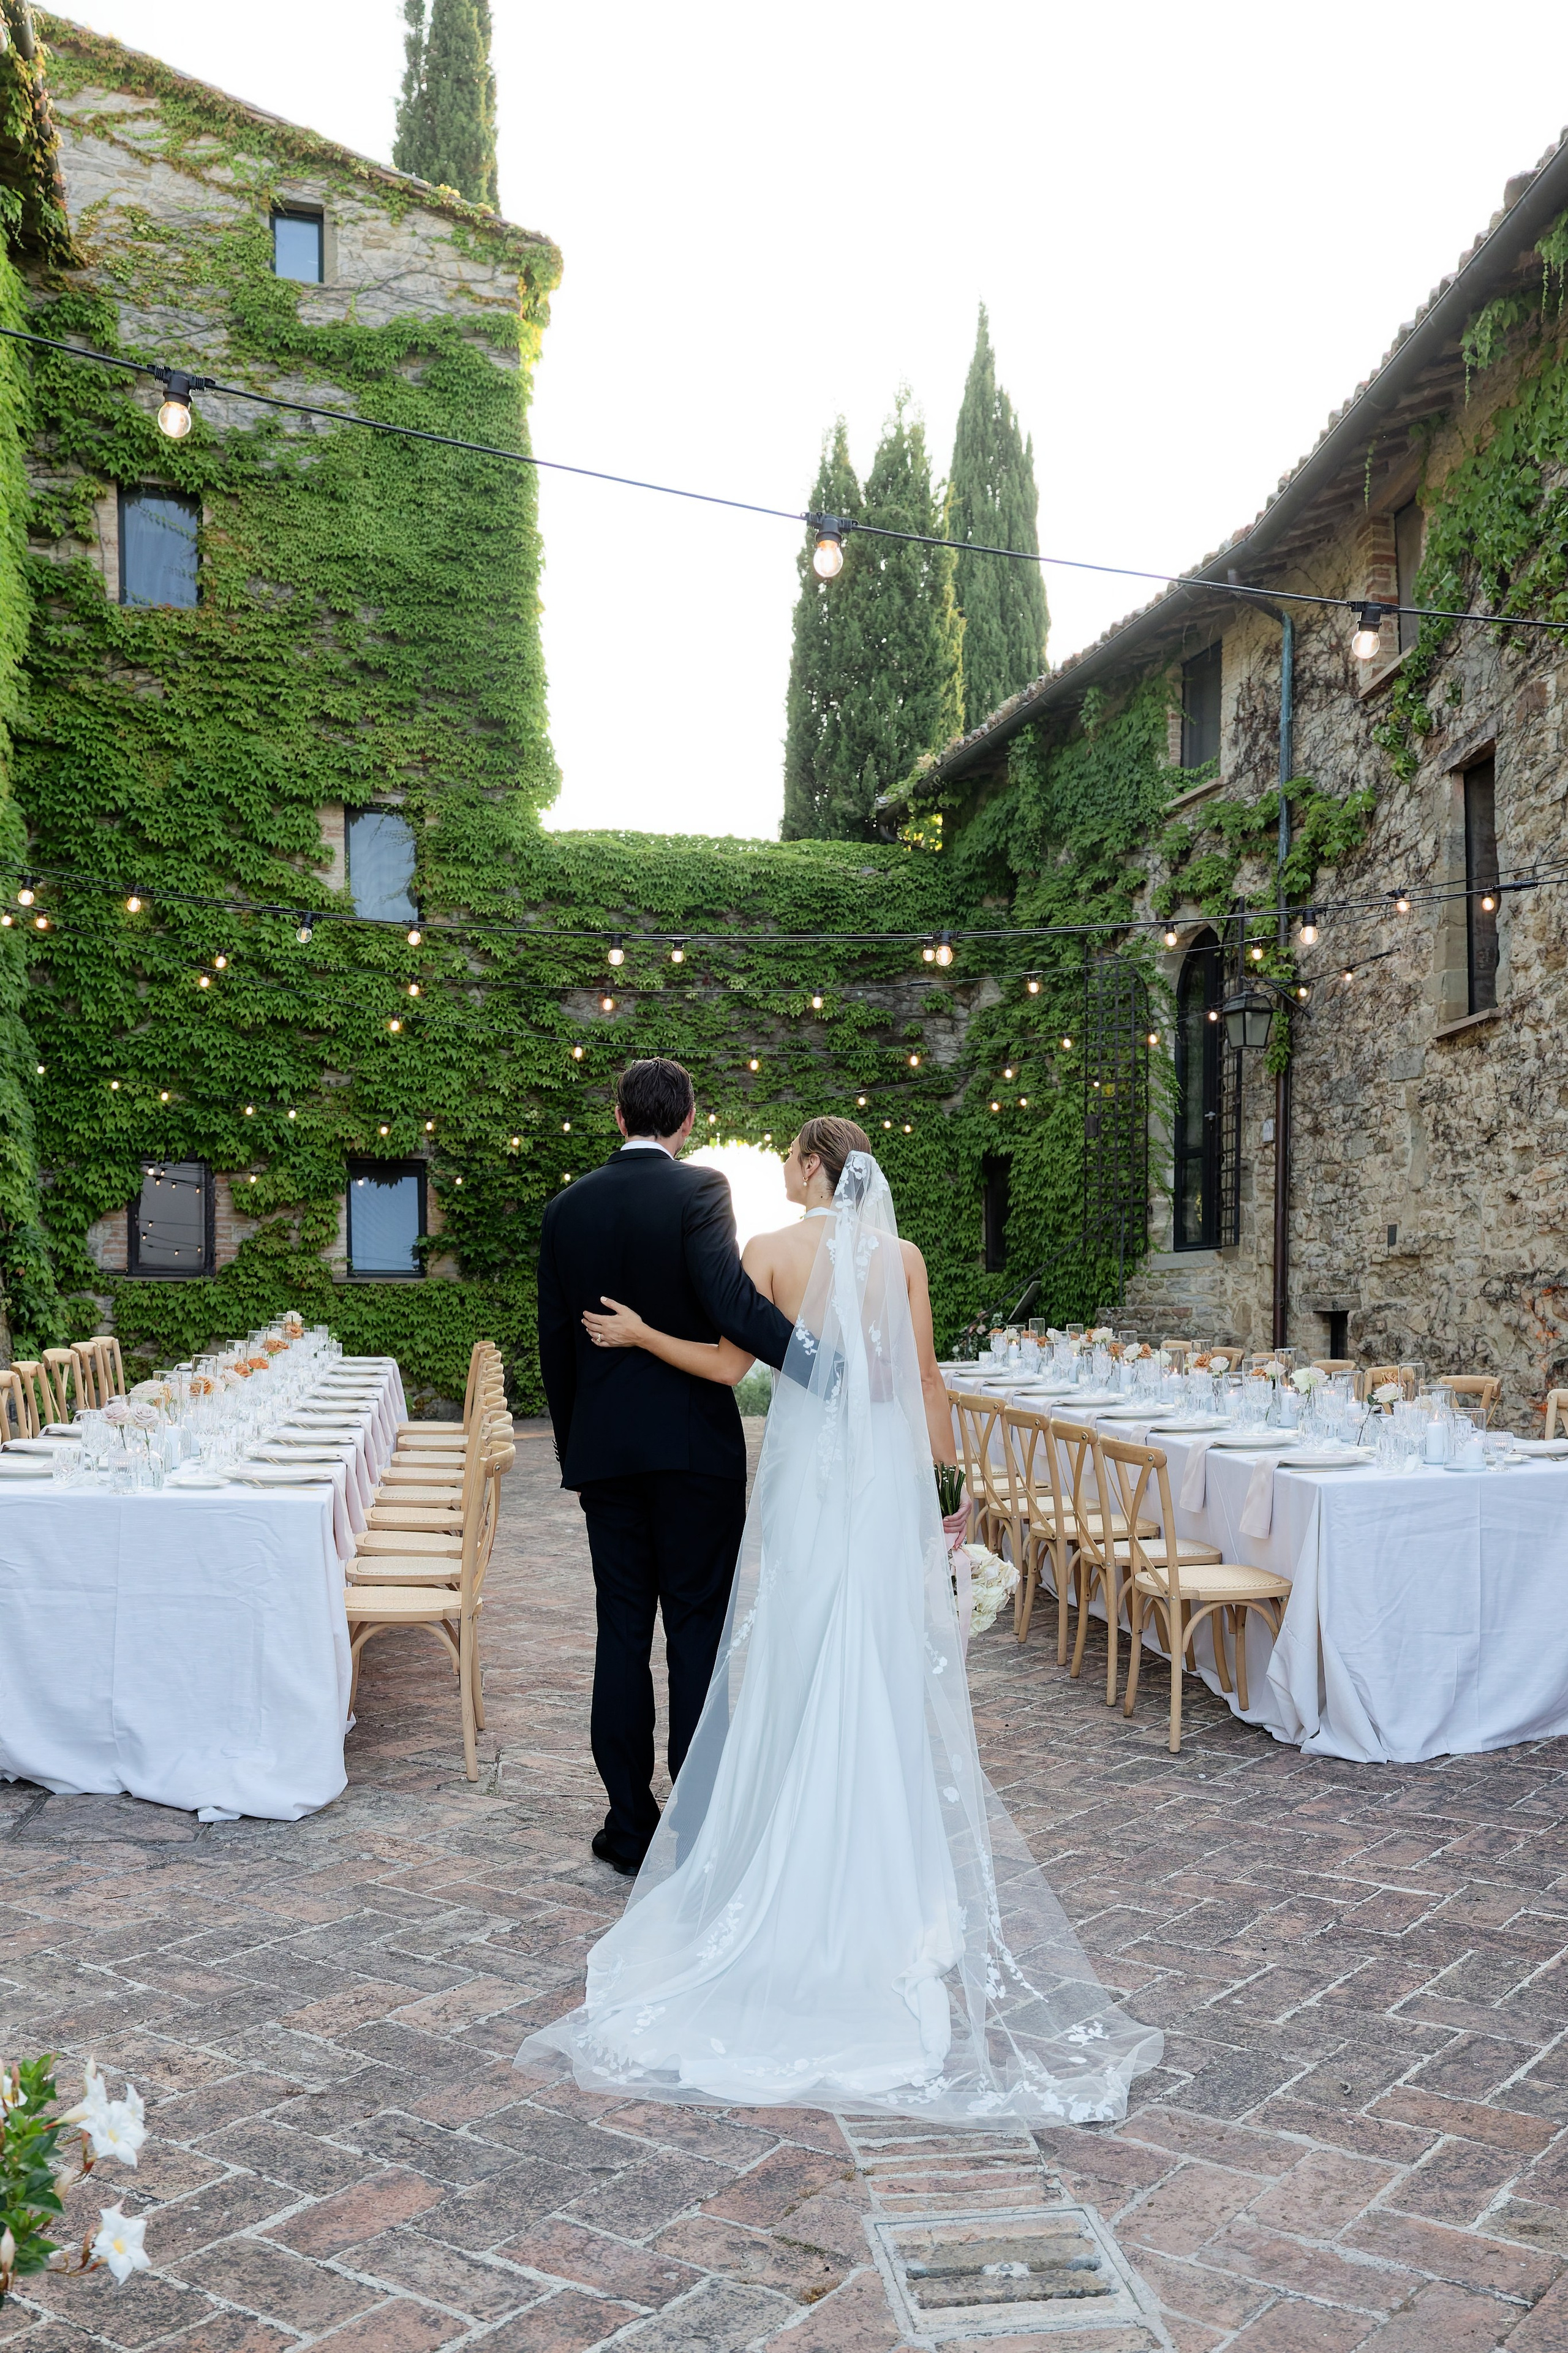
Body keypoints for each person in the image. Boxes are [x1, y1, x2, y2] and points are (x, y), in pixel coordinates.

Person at [519, 1117, 1163, 2124]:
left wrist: (641, 1335)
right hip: (883, 1486)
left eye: (789, 1157)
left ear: (814, 1167)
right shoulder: (903, 1257)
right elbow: (929, 1380)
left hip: (810, 1490)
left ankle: (779, 1841)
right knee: (876, 1651)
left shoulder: (769, 1251)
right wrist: (948, 1491)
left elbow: (728, 1368)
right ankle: (878, 1852)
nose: (782, 1168)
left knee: (800, 1647)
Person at [535, 1056, 794, 1878]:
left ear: (618, 1118)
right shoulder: (700, 1190)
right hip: (693, 1455)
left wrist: (577, 1446)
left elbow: (555, 1345)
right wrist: (824, 1364)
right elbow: (732, 1305)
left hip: (607, 1455)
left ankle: (628, 1823)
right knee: (697, 1631)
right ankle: (699, 1818)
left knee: (620, 1630)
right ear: (687, 1121)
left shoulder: (566, 1209)